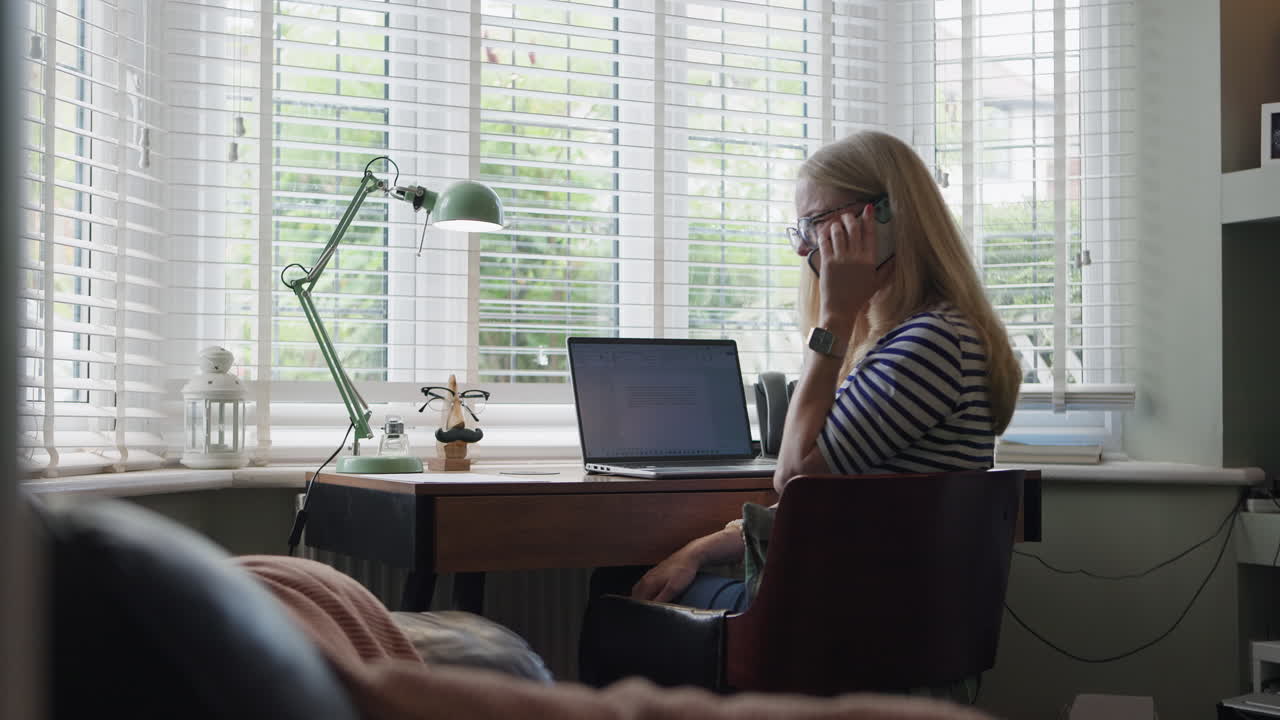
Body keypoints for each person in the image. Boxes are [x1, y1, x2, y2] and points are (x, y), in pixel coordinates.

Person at [598, 130, 1023, 612]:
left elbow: (796, 477)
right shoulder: (916, 339)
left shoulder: (928, 345)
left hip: (854, 615)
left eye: (817, 221)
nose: (804, 248)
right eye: (801, 228)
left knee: (616, 585)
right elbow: (817, 504)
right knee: (649, 572)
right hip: (869, 605)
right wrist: (695, 551)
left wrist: (834, 319)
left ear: (883, 216)